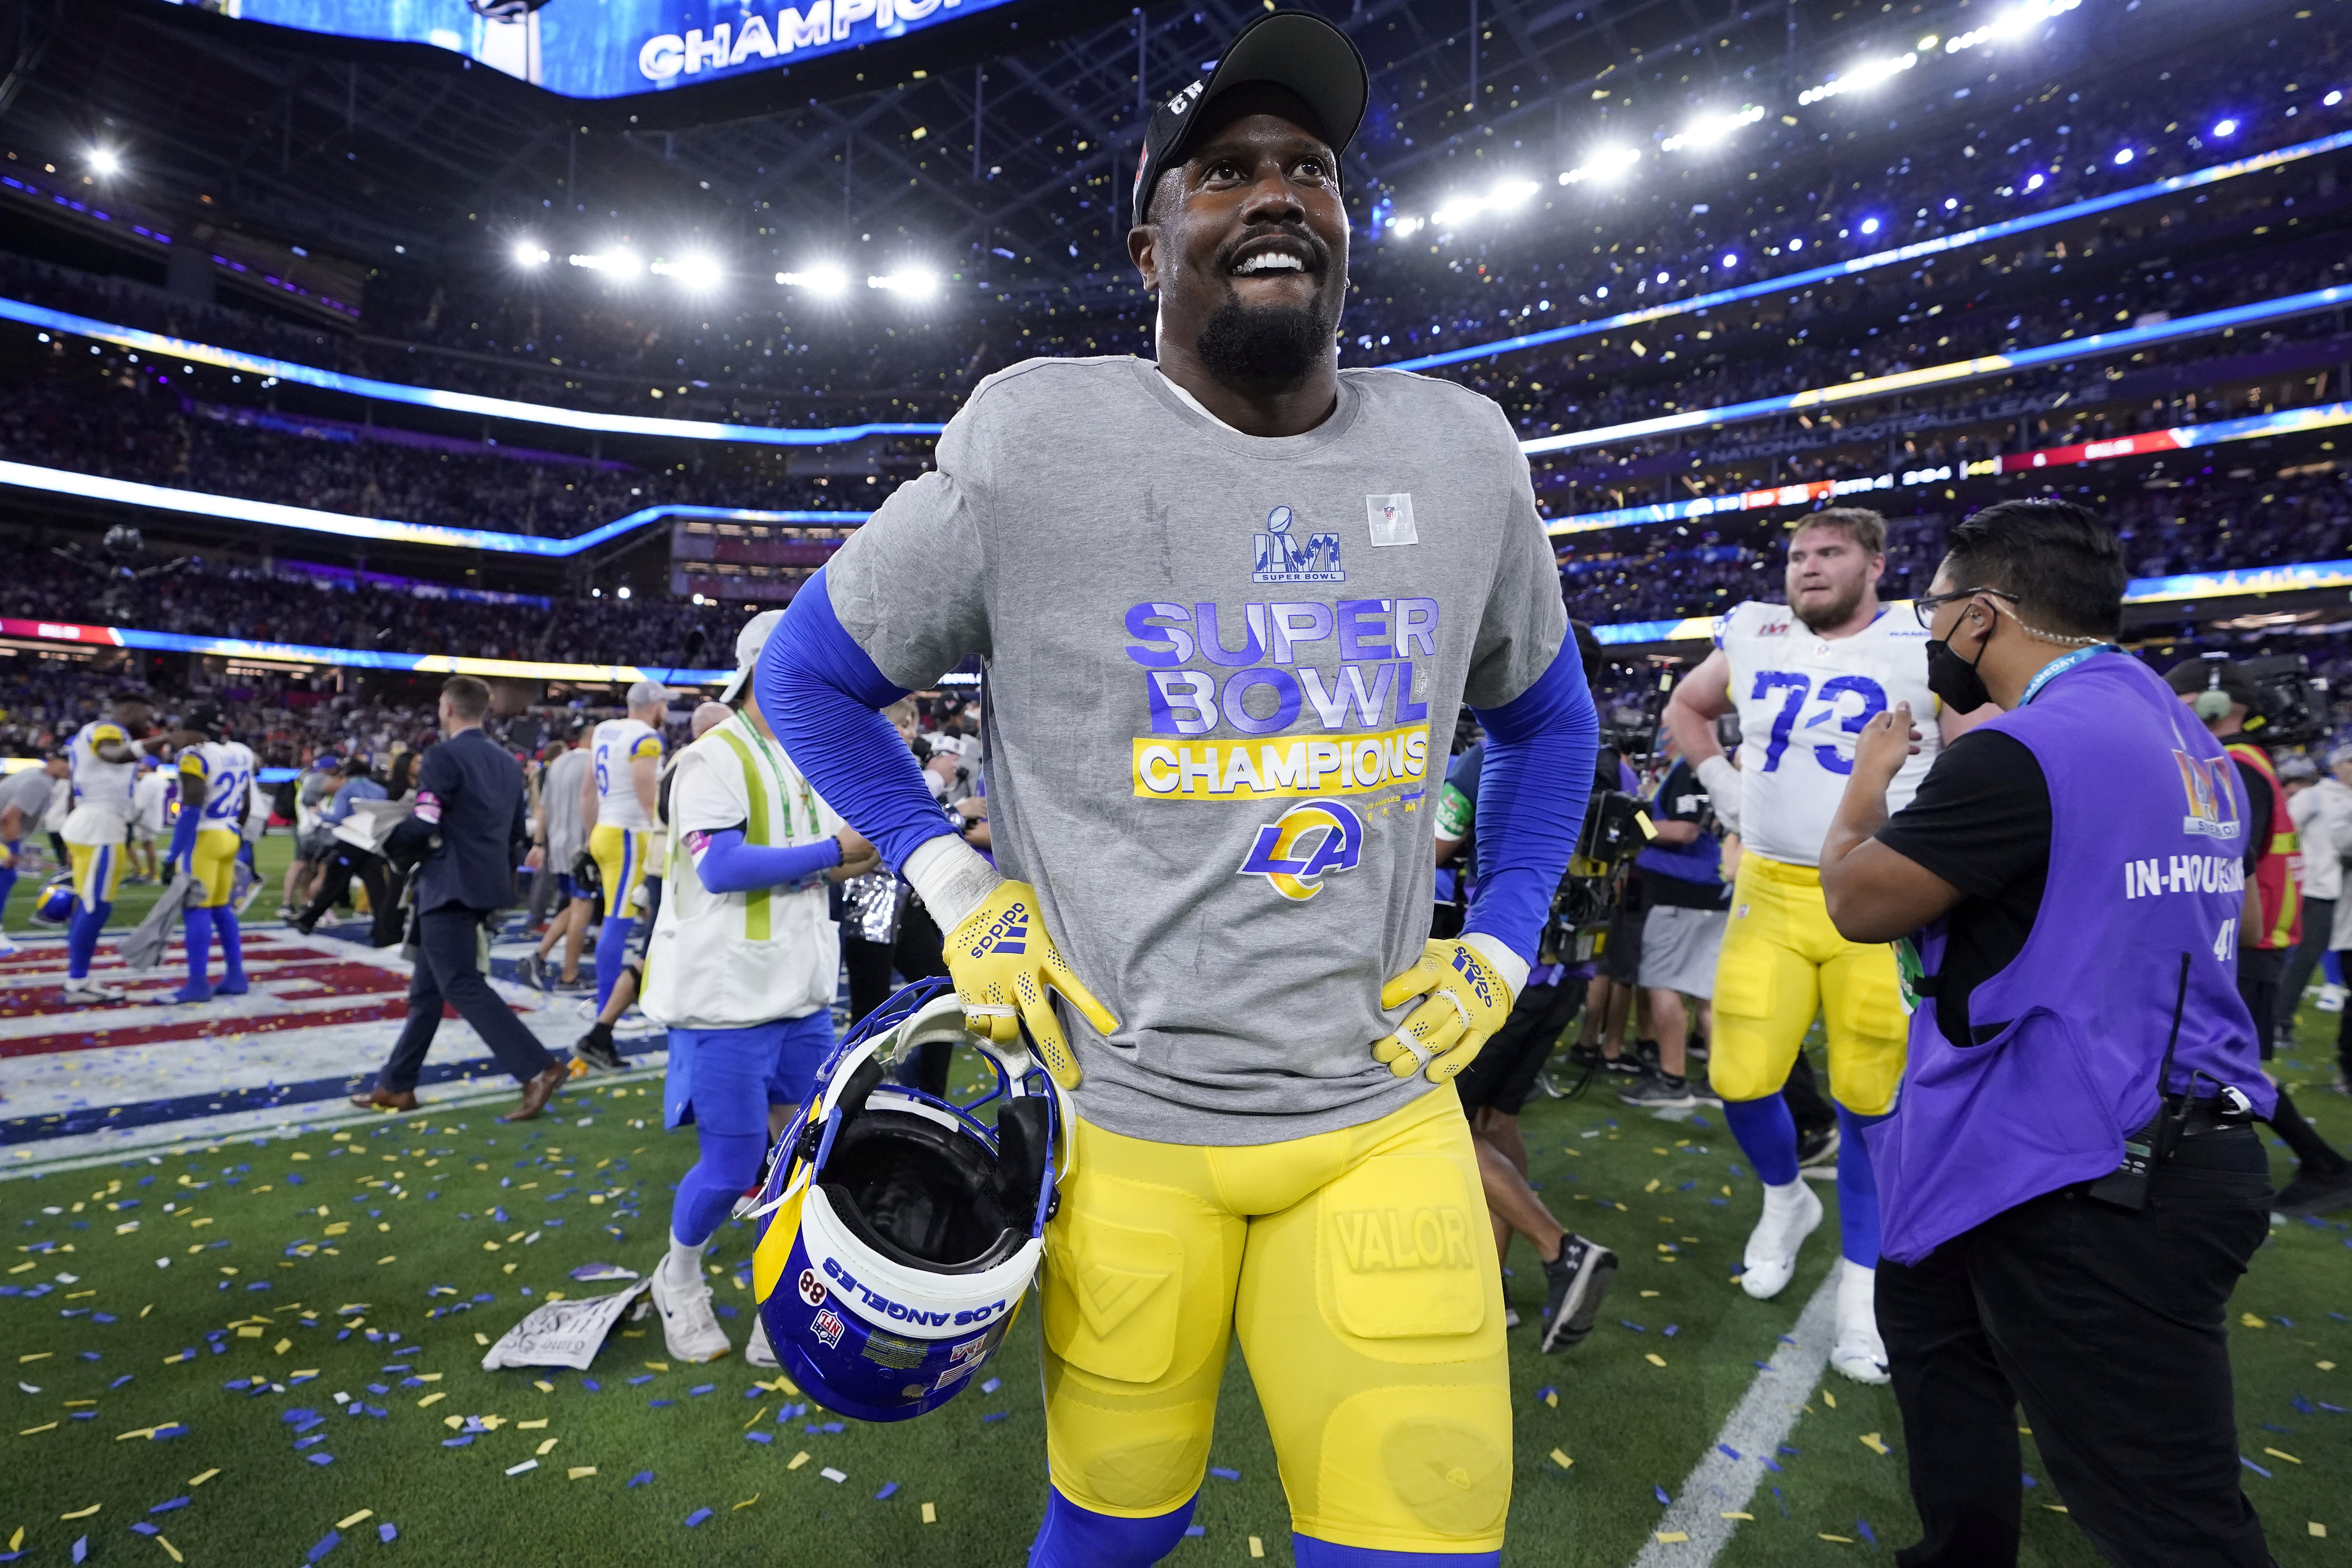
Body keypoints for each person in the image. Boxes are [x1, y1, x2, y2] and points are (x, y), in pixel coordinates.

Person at [760, 13, 1595, 1560]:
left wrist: (1501, 937)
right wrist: (956, 890)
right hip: (1122, 1123)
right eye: (1223, 171)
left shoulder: (1462, 450)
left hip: (1376, 1117)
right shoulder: (1036, 438)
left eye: (1308, 169)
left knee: (1420, 1539)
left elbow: (1547, 725)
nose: (1275, 190)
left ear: (1344, 224)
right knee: (1112, 1536)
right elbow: (809, 682)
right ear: (1151, 249)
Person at [1818, 499, 2276, 1568]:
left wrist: (1864, 785)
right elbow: (2242, 922)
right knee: (1929, 1327)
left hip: (2083, 1169)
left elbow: (1853, 900)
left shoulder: (2027, 748)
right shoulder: (2189, 737)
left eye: (1933, 613)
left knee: (2169, 1518)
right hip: (2089, 1136)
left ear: (1980, 617)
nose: (1927, 638)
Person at [1663, 507, 1977, 1386]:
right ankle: (1785, 1200)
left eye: (1828, 553)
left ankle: (1861, 1284)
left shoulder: (1924, 636)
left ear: (1874, 562)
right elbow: (1688, 706)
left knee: (1870, 1099)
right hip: (1768, 890)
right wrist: (1723, 784)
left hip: (1879, 896)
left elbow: (1976, 747)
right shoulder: (1757, 632)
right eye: (1797, 554)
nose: (1806, 567)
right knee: (1736, 1076)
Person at [640, 611, 877, 1366]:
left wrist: (852, 855)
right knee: (734, 1166)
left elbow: (828, 857)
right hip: (726, 1001)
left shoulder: (805, 752)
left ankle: (775, 1298)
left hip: (798, 993)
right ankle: (677, 1277)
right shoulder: (712, 757)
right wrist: (832, 852)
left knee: (803, 1159)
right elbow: (721, 868)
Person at [2164, 656, 2352, 1217]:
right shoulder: (2246, 762)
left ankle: (2323, 1165)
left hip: (2241, 944)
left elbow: (2225, 862)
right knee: (2224, 1067)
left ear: (2210, 703)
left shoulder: (2233, 767)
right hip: (2251, 941)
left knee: (2224, 1070)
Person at [350, 677, 566, 1122]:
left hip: (448, 882)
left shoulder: (443, 756)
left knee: (461, 983)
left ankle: (537, 1067)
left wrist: (387, 837)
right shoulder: (509, 762)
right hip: (485, 883)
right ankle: (397, 1083)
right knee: (428, 990)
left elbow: (427, 820)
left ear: (446, 707)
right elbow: (514, 835)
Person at [1625, 734, 1732, 1111]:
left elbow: (1684, 830)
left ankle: (1673, 1080)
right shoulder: (1705, 767)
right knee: (1704, 991)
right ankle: (1719, 1082)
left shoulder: (1691, 766)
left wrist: (1633, 819)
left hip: (1682, 895)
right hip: (1711, 890)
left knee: (1663, 984)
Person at [61, 692, 162, 1004]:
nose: (148, 724)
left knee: (89, 905)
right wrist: (165, 739)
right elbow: (112, 754)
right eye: (144, 716)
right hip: (100, 827)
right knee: (96, 907)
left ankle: (78, 978)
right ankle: (77, 982)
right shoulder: (109, 730)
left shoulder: (98, 734)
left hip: (92, 823)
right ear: (129, 710)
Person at [162, 707, 256, 1003]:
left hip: (203, 837)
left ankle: (198, 983)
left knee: (197, 909)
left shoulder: (194, 755)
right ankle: (236, 976)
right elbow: (247, 802)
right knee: (221, 908)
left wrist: (172, 855)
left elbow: (191, 807)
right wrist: (235, 832)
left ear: (196, 732)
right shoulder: (242, 752)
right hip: (229, 834)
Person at [585, 681, 668, 1012]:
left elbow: (587, 792)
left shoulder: (604, 730)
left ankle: (636, 991)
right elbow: (649, 802)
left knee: (644, 914)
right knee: (617, 922)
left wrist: (589, 836)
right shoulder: (645, 739)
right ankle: (608, 1006)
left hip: (605, 829)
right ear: (656, 705)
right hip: (630, 835)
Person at [291, 755, 396, 944]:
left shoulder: (347, 789)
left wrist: (319, 813)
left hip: (350, 842)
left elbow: (339, 817)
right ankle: (383, 932)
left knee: (333, 884)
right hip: (370, 843)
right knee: (378, 890)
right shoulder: (380, 790)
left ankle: (307, 921)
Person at [520, 724, 594, 991]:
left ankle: (538, 957)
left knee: (576, 905)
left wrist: (540, 843)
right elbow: (592, 803)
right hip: (583, 844)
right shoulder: (594, 762)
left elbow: (544, 807)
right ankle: (569, 975)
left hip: (560, 844)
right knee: (583, 907)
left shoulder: (559, 762)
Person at [2279, 754, 2332, 1047]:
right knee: (2300, 957)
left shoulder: (2327, 797)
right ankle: (2279, 1021)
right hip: (2310, 887)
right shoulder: (2313, 798)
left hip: (2330, 889)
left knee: (2303, 957)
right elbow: (2285, 833)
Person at [0, 755, 67, 953]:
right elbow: (9, 817)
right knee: (6, 877)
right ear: (53, 761)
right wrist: (14, 850)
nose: (69, 768)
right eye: (66, 762)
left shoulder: (33, 774)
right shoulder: (41, 783)